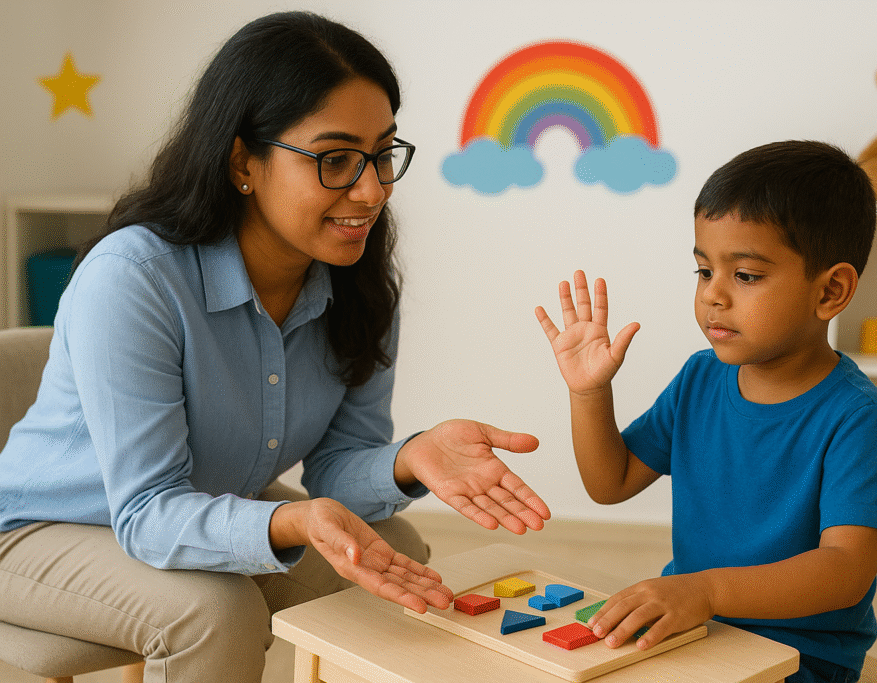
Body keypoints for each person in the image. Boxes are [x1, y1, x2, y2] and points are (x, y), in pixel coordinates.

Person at [0, 11, 549, 681]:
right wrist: (291, 521)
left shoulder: (361, 284)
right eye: (337, 159)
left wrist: (409, 458)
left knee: (395, 547)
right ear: (243, 162)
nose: (373, 190)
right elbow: (147, 513)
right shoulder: (134, 278)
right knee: (214, 609)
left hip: (196, 508)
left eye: (382, 154)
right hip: (39, 533)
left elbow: (337, 469)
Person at [536, 140, 877, 683]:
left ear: (831, 291)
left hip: (800, 660)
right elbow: (609, 482)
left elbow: (844, 572)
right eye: (704, 271)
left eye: (746, 276)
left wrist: (705, 590)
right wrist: (588, 393)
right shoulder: (699, 378)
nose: (713, 296)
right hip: (690, 635)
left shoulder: (860, 418)